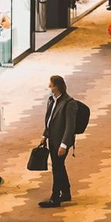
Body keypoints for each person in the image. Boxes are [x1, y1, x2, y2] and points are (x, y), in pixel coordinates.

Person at [40, 74, 81, 207]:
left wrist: (64, 145)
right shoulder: (51, 100)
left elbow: (70, 127)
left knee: (56, 168)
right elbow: (49, 120)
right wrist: (44, 135)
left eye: (50, 85)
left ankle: (55, 197)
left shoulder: (69, 103)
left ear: (57, 87)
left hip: (61, 142)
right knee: (58, 166)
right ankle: (66, 193)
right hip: (52, 139)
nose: (48, 87)